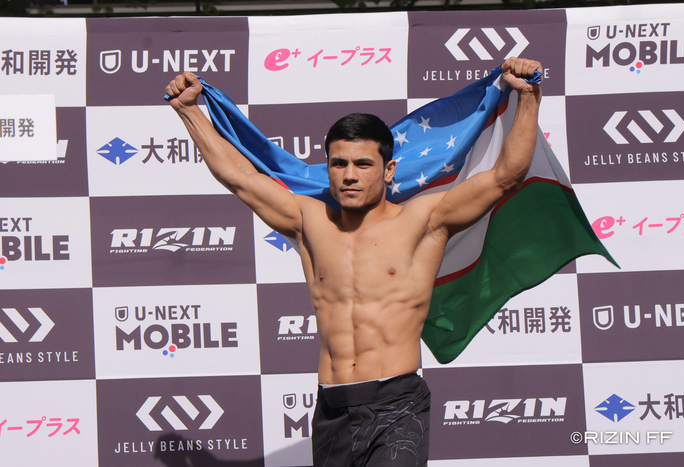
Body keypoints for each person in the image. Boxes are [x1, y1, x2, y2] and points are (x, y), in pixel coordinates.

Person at [165, 56, 542, 467]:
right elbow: (240, 177)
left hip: (397, 405)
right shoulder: (309, 221)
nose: (349, 175)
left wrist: (528, 96)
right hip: (332, 409)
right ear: (327, 168)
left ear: (388, 170)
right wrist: (189, 111)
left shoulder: (423, 220)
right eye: (339, 164)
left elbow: (506, 176)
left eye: (363, 164)